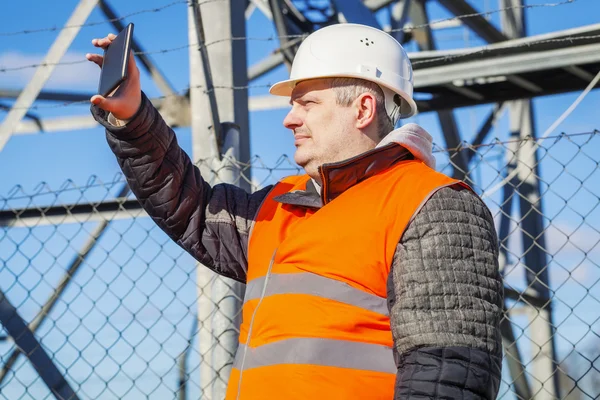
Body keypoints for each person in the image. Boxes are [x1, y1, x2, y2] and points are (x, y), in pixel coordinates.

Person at [88, 23, 503, 399]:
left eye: (307, 104)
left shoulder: (433, 204)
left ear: (362, 109)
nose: (289, 119)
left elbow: (449, 375)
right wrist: (133, 118)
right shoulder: (283, 203)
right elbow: (192, 208)